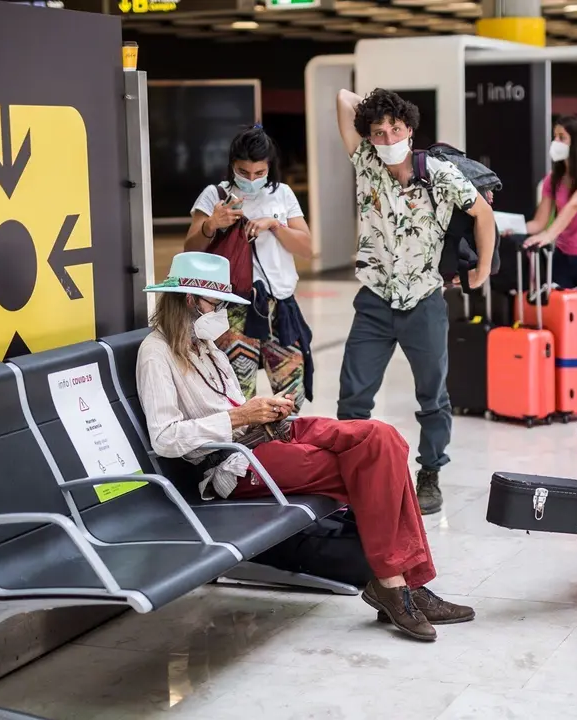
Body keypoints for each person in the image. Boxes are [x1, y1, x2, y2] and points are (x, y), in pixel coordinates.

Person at [137, 252, 475, 642]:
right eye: (216, 304)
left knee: (384, 439)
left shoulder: (207, 348)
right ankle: (401, 586)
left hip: (261, 437)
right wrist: (240, 417)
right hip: (233, 465)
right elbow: (165, 437)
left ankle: (399, 586)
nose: (222, 314)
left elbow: (233, 407)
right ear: (189, 300)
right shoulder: (156, 354)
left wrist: (262, 411)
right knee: (375, 467)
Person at [334, 88, 496, 516]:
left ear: (410, 130)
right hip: (374, 300)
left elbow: (483, 214)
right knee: (353, 397)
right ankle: (350, 472)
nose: (388, 138)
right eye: (379, 132)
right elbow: (343, 97)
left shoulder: (438, 173)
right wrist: (376, 111)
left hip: (424, 300)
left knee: (432, 396)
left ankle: (430, 472)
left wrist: (482, 270)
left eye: (396, 129)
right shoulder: (366, 163)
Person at [184, 126, 314, 412]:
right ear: (232, 165)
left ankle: (284, 440)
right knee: (237, 395)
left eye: (259, 173)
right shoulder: (214, 195)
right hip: (232, 308)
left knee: (291, 397)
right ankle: (245, 442)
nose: (252, 179)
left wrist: (275, 225)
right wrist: (211, 224)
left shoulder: (282, 194)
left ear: (270, 168)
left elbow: (307, 247)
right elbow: (189, 250)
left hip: (280, 306)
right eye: (244, 172)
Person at [523, 115, 577, 357]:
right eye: (555, 136)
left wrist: (549, 234)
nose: (556, 142)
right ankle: (568, 374)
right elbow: (539, 222)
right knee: (560, 321)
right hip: (563, 258)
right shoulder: (553, 179)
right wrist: (504, 226)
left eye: (562, 137)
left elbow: (574, 205)